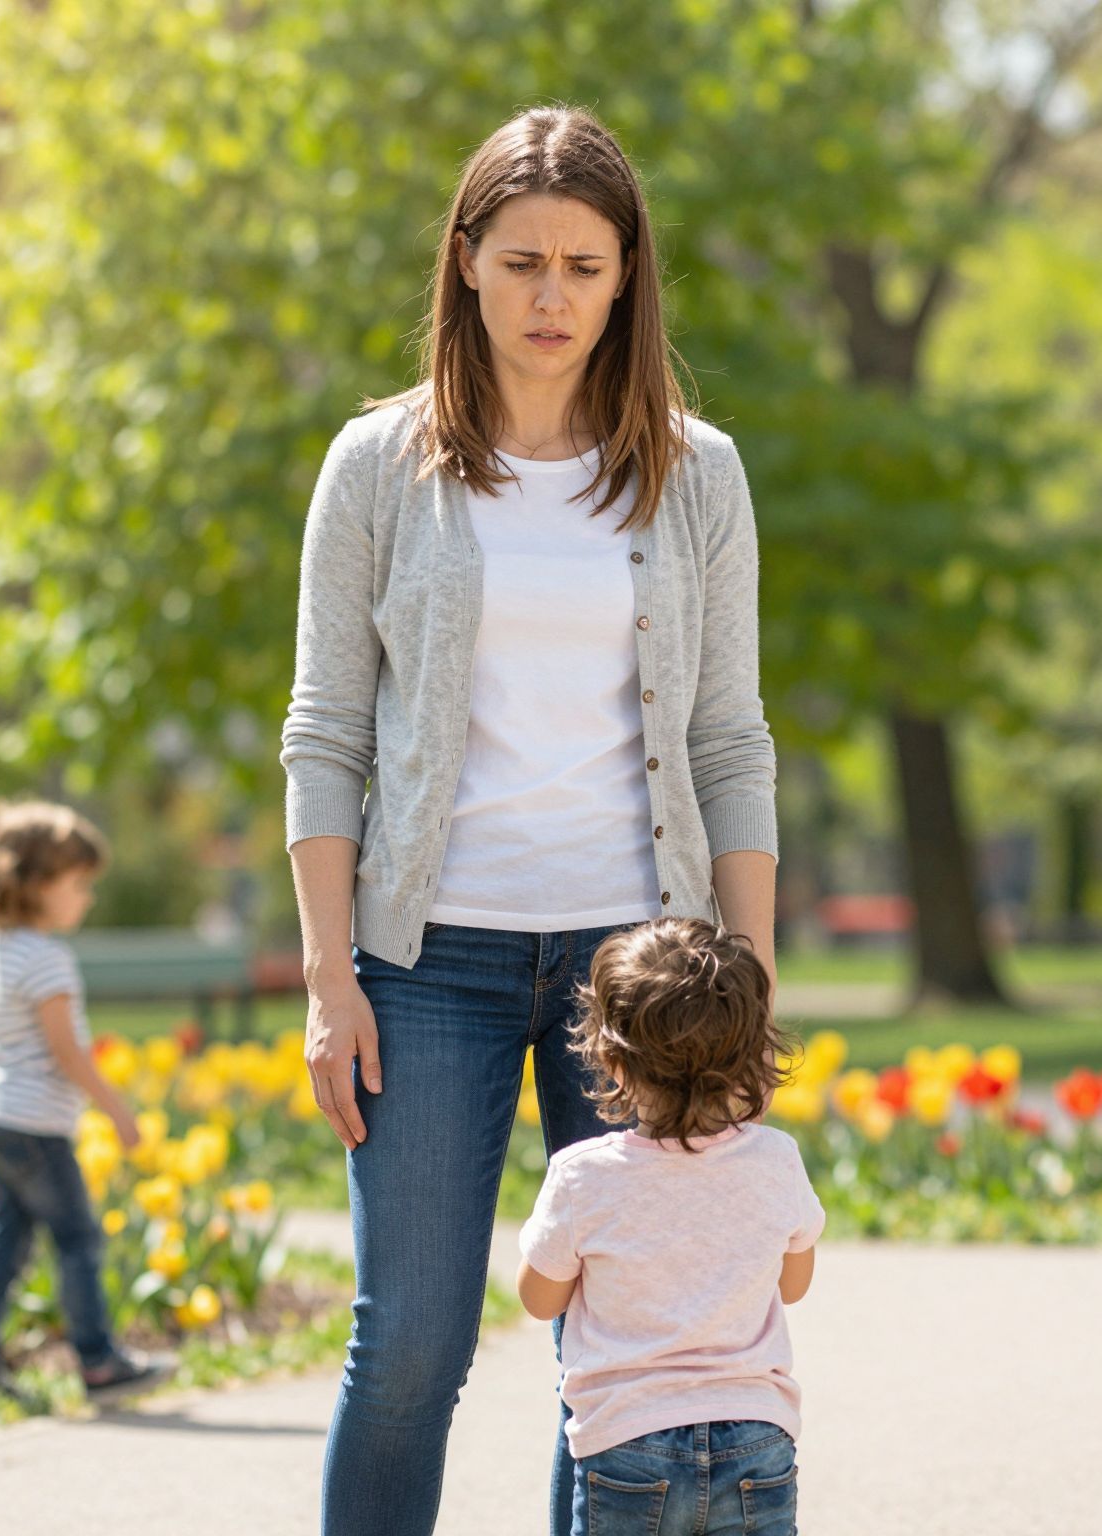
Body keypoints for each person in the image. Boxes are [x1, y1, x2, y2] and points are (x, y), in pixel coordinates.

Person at [281, 104, 780, 1536]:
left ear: (627, 278)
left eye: (583, 264)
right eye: (522, 263)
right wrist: (332, 982)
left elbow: (730, 740)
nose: (551, 296)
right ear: (466, 265)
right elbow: (325, 737)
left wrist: (741, 984)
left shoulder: (699, 474)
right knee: (412, 1349)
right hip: (427, 964)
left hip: (645, 968)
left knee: (621, 1357)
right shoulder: (376, 469)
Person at [516, 918, 823, 1536]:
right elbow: (793, 1285)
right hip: (756, 1436)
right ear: (746, 1054)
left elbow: (537, 1296)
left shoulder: (584, 1176)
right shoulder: (776, 1159)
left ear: (610, 1058)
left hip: (629, 1443)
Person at [0, 799, 173, 1399]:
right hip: (36, 1129)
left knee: (3, 1247)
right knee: (77, 1240)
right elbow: (68, 1053)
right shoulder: (47, 959)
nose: (87, 898)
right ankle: (99, 1362)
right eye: (78, 885)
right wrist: (117, 1110)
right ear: (38, 884)